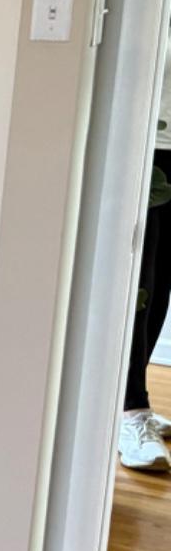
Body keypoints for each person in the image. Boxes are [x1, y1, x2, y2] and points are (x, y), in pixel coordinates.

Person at [120, 60, 171, 473]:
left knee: (163, 280)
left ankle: (134, 402)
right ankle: (129, 410)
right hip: (148, 140)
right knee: (140, 283)